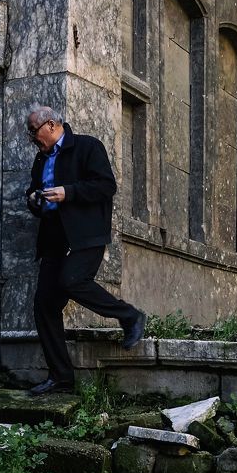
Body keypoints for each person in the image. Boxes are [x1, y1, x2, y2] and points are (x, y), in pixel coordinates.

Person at [24, 105, 146, 396]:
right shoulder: (41, 159)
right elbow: (32, 191)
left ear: (51, 125)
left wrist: (69, 192)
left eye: (33, 131)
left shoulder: (88, 146)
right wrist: (33, 199)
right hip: (53, 237)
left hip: (85, 235)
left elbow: (106, 186)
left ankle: (129, 316)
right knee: (44, 306)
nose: (32, 138)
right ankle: (61, 378)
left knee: (73, 280)